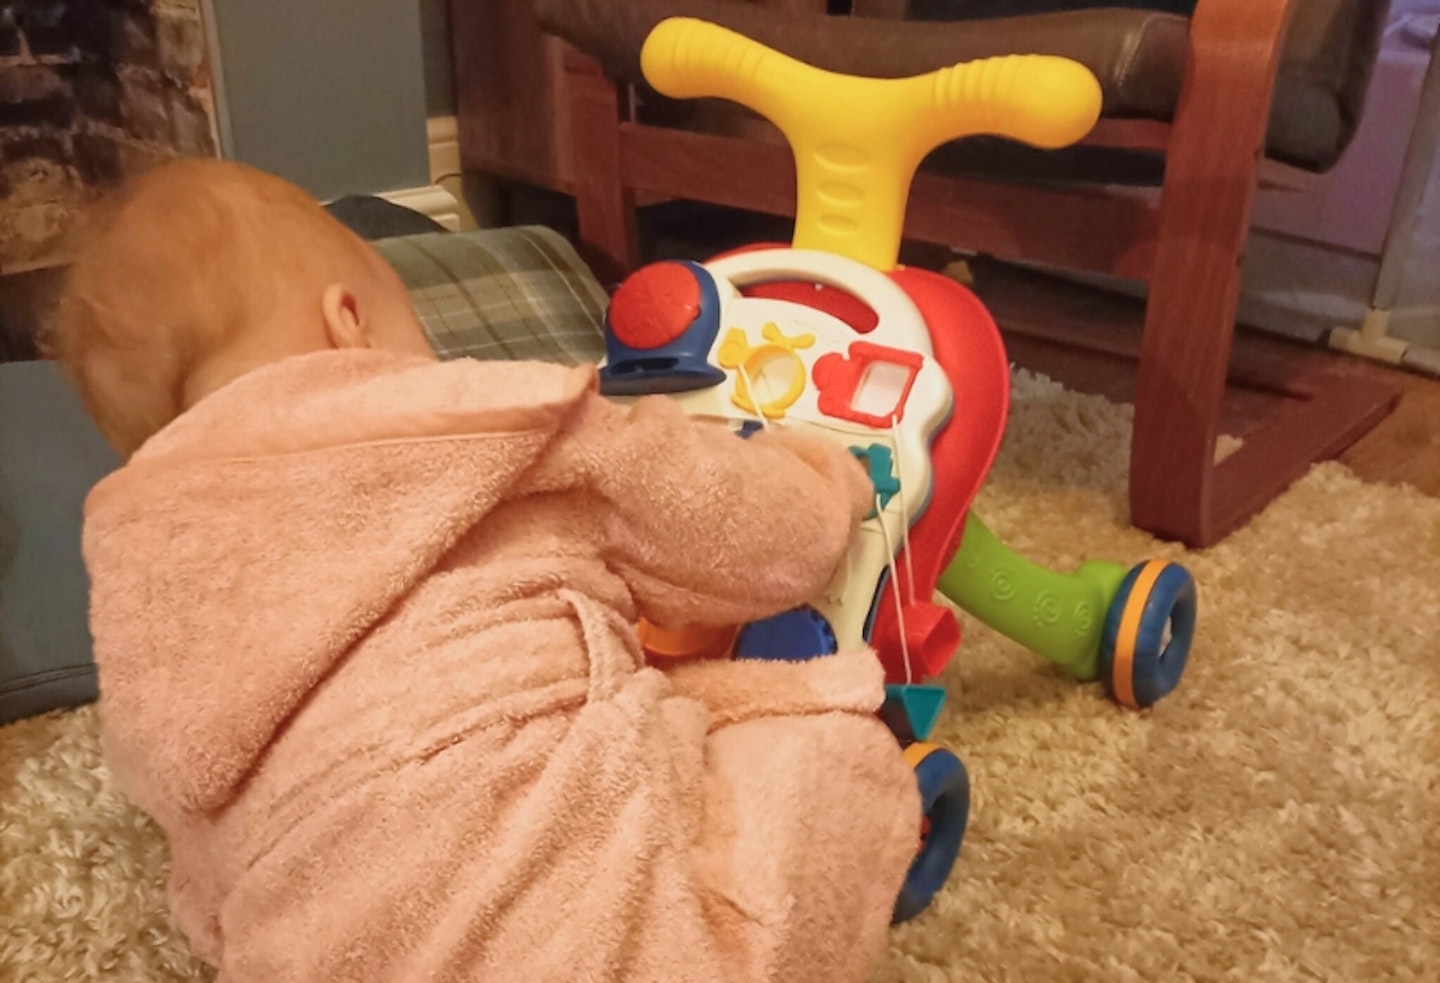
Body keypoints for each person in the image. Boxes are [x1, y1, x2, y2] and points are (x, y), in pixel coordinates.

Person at [46, 158, 920, 982]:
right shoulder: (493, 420)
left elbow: (200, 848)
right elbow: (745, 531)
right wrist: (823, 480)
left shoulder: (148, 571)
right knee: (836, 752)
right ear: (349, 321)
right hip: (612, 935)